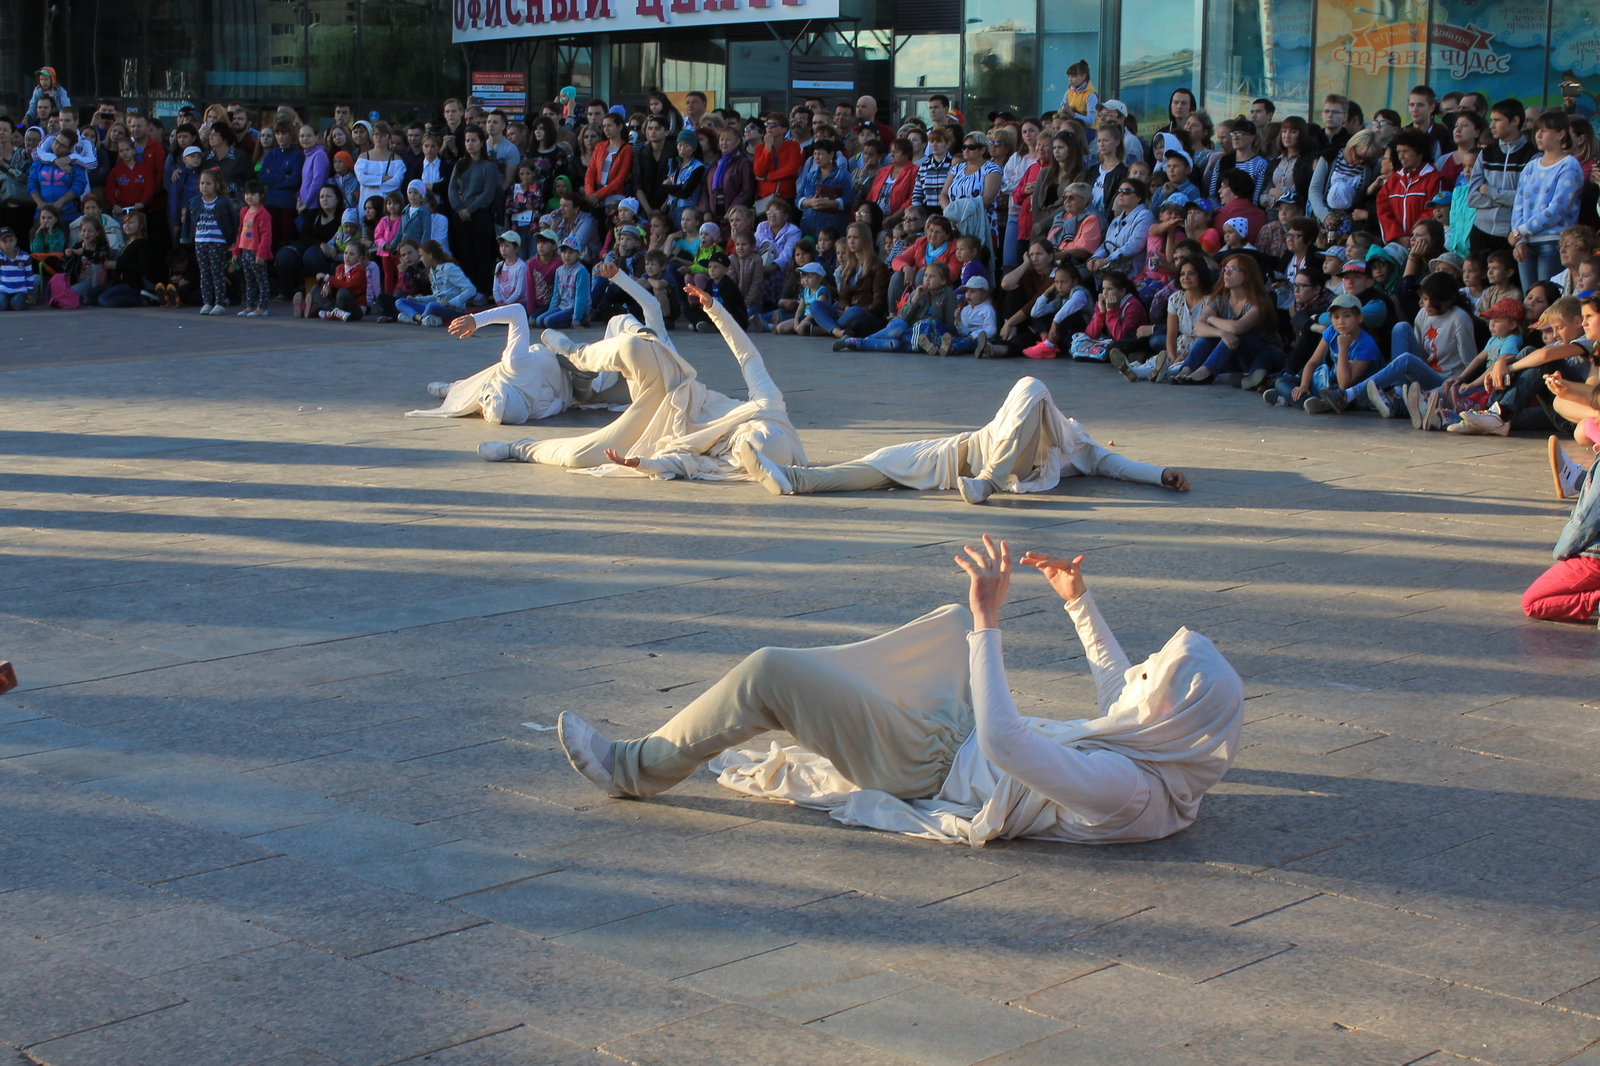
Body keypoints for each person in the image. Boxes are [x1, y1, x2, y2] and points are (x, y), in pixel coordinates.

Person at [557, 531, 1242, 853]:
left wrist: (990, 618)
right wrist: (1077, 601)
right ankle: (832, 706)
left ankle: (635, 770)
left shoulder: (1126, 788)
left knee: (770, 670)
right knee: (947, 626)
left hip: (930, 769)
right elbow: (1123, 697)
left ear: (1173, 718)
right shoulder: (1166, 760)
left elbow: (1006, 744)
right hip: (959, 741)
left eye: (1152, 675)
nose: (1137, 677)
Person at [479, 279, 807, 482]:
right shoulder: (769, 403)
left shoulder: (726, 461)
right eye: (758, 433)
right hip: (675, 389)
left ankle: (517, 448)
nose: (748, 436)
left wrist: (640, 463)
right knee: (632, 344)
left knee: (576, 457)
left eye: (748, 445)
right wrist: (715, 309)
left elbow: (680, 462)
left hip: (658, 432)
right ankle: (575, 351)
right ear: (770, 427)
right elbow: (747, 355)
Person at [738, 374, 1190, 512]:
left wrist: (1160, 475)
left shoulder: (1077, 445)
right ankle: (796, 480)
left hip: (981, 471)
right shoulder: (1056, 424)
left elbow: (1117, 465)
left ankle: (990, 482)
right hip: (956, 454)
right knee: (878, 468)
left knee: (1031, 383)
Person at [1510, 112, 1585, 292]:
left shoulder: (1569, 165)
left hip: (1552, 242)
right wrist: (1519, 238)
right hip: (1526, 242)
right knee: (1531, 299)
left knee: (1548, 298)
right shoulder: (1531, 165)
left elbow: (1557, 208)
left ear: (1560, 134)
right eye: (1537, 131)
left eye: (1544, 131)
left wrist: (1521, 230)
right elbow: (1518, 203)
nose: (1539, 135)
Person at [449, 126, 501, 298]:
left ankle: (483, 291)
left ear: (481, 142)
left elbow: (488, 193)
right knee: (464, 255)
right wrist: (459, 209)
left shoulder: (488, 166)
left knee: (483, 254)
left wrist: (470, 209)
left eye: (473, 140)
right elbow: (452, 190)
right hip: (460, 215)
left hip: (479, 215)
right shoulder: (460, 164)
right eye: (467, 140)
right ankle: (467, 290)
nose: (470, 144)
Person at [182, 167, 237, 315]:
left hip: (218, 241)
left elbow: (233, 222)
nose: (204, 187)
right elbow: (188, 222)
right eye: (202, 183)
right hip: (201, 241)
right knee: (204, 272)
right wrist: (186, 238)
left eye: (208, 184)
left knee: (217, 271)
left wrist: (233, 239)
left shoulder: (224, 203)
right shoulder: (194, 202)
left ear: (216, 185)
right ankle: (207, 302)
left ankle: (219, 301)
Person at [396, 239, 476, 326]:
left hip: (452, 310)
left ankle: (415, 318)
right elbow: (436, 296)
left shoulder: (449, 268)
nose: (421, 259)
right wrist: (417, 299)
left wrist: (451, 302)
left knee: (432, 306)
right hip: (437, 307)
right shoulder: (432, 271)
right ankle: (422, 319)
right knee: (400, 302)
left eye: (422, 255)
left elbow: (471, 290)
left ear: (430, 255)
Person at [232, 180, 273, 316]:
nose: (249, 197)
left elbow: (266, 235)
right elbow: (240, 232)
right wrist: (236, 251)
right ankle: (250, 305)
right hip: (245, 251)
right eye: (247, 193)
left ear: (261, 195)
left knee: (261, 281)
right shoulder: (244, 211)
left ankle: (262, 307)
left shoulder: (263, 214)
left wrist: (261, 253)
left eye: (253, 194)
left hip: (257, 252)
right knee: (249, 280)